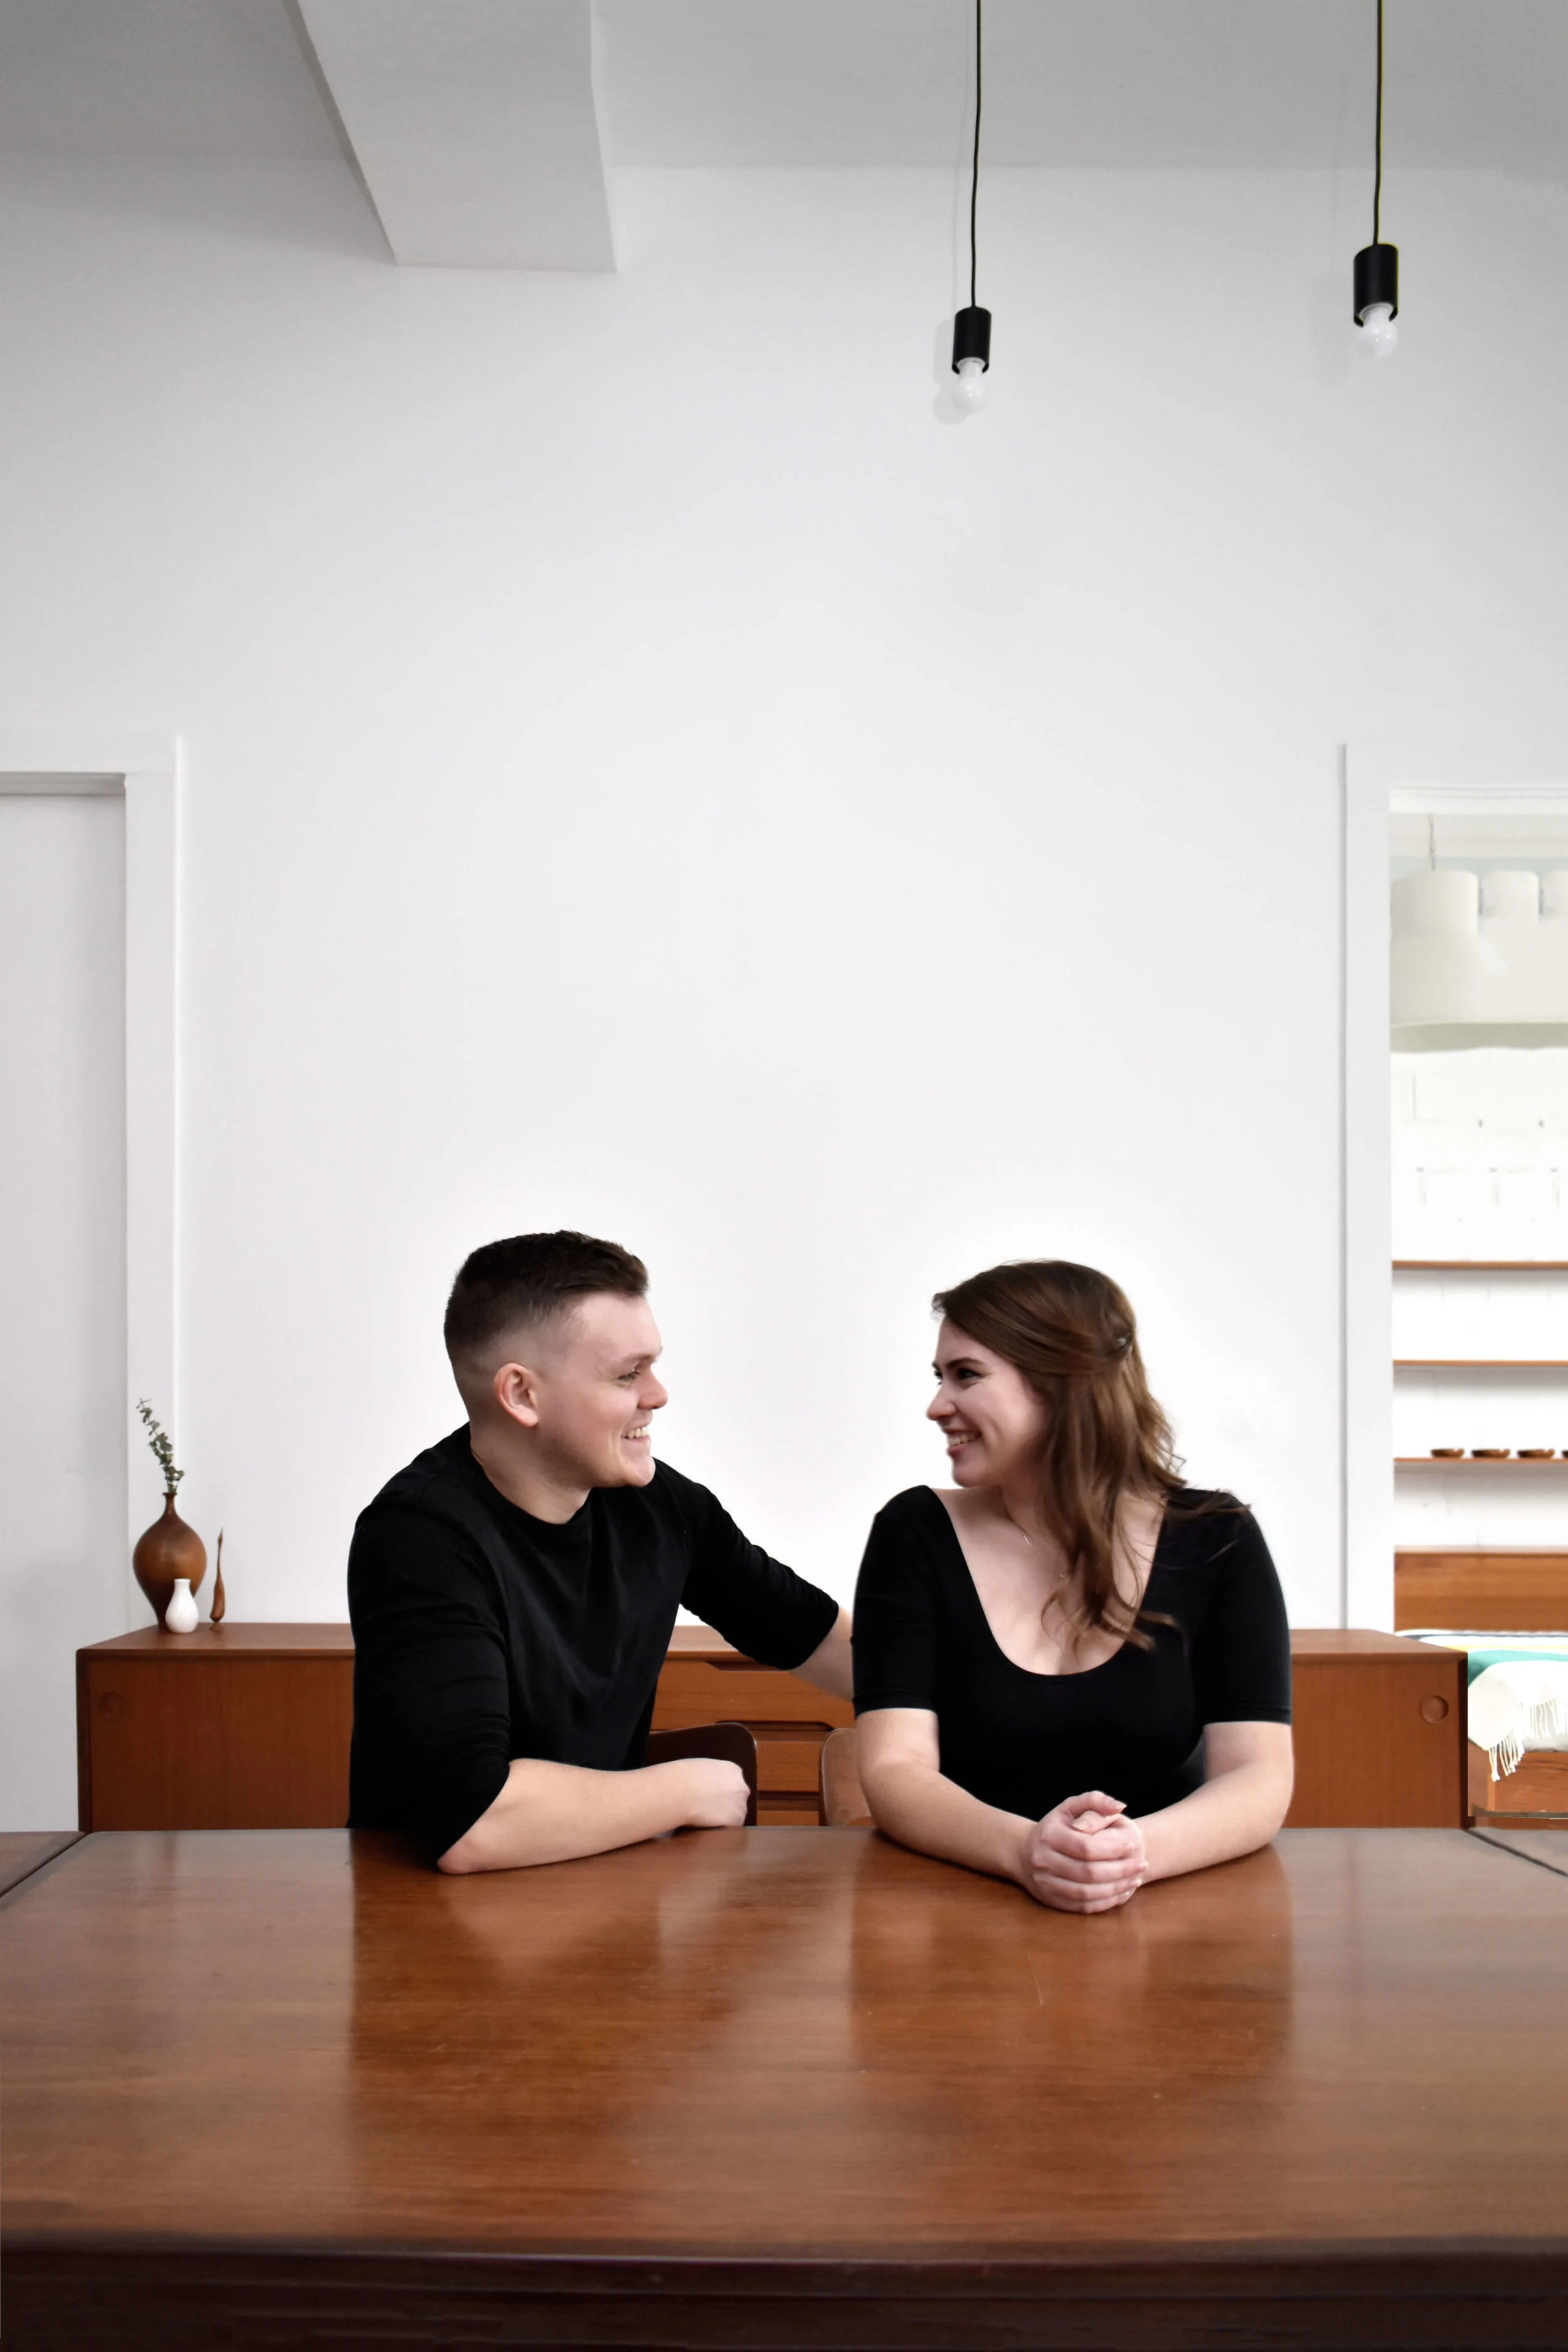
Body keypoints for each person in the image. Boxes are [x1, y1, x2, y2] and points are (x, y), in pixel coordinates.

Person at [348, 1231, 850, 1873]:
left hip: (598, 1891)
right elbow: (472, 1820)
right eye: (627, 1374)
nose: (658, 1395)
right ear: (521, 1394)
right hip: (428, 1917)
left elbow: (815, 1635)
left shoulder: (662, 1506)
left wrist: (962, 1704)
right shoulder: (418, 1538)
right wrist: (685, 1789)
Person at [851, 1259, 1293, 1913]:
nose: (937, 1406)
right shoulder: (914, 1532)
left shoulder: (1217, 1538)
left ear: (1060, 1381)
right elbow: (894, 1770)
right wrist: (1025, 1852)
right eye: (940, 1377)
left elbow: (1258, 1777)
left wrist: (1126, 1856)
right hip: (962, 1910)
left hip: (1169, 1913)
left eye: (966, 1375)